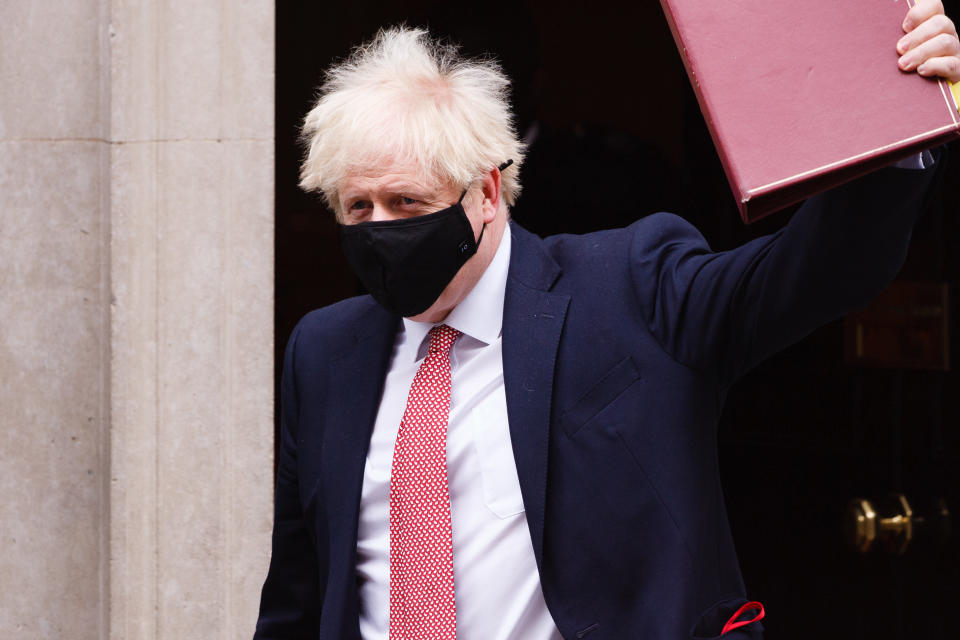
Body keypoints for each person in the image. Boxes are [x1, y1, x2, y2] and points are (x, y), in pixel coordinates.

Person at [256, 4, 960, 638]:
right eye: (358, 209)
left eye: (407, 204)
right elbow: (297, 592)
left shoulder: (630, 287)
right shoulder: (324, 351)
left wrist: (898, 118)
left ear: (488, 191)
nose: (379, 229)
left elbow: (810, 275)